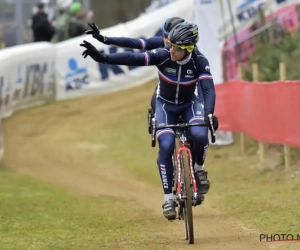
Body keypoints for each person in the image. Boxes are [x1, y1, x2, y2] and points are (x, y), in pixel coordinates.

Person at [79, 22, 218, 220]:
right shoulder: (164, 54)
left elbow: (208, 90)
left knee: (199, 133)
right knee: (167, 143)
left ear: (187, 49)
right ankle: (169, 198)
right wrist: (104, 57)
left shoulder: (199, 61)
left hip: (189, 104)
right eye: (170, 44)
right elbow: (133, 57)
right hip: (165, 105)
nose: (171, 49)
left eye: (176, 47)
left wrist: (209, 114)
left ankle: (198, 169)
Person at [85, 17, 190, 113]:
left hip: (189, 91)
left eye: (171, 37)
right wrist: (105, 40)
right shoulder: (161, 44)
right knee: (156, 108)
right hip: (165, 90)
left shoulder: (193, 54)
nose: (166, 41)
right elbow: (133, 44)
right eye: (165, 36)